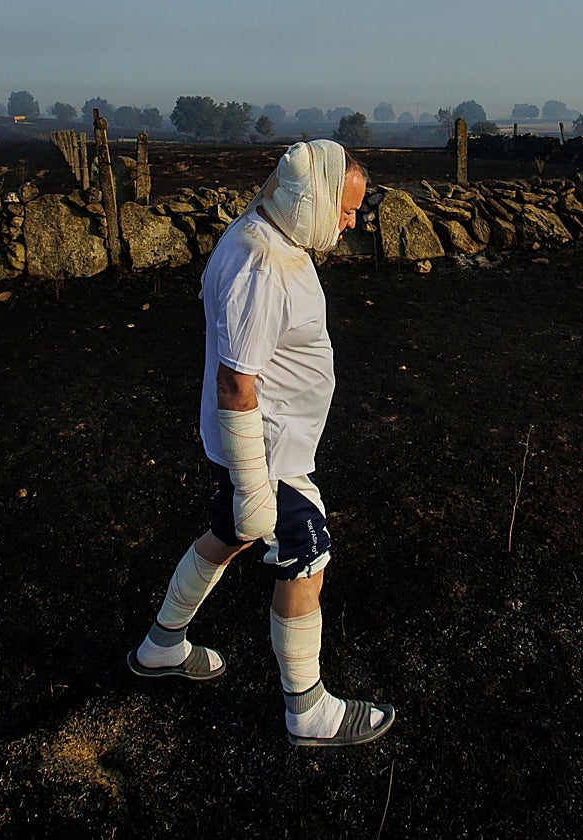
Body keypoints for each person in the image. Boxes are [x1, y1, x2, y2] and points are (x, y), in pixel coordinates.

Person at [127, 139, 394, 748]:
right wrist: (253, 484)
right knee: (307, 554)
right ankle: (309, 711)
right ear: (312, 198)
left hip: (272, 445)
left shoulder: (267, 234)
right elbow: (235, 377)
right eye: (345, 208)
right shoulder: (263, 265)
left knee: (228, 533)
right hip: (268, 453)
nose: (352, 221)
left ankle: (161, 647)